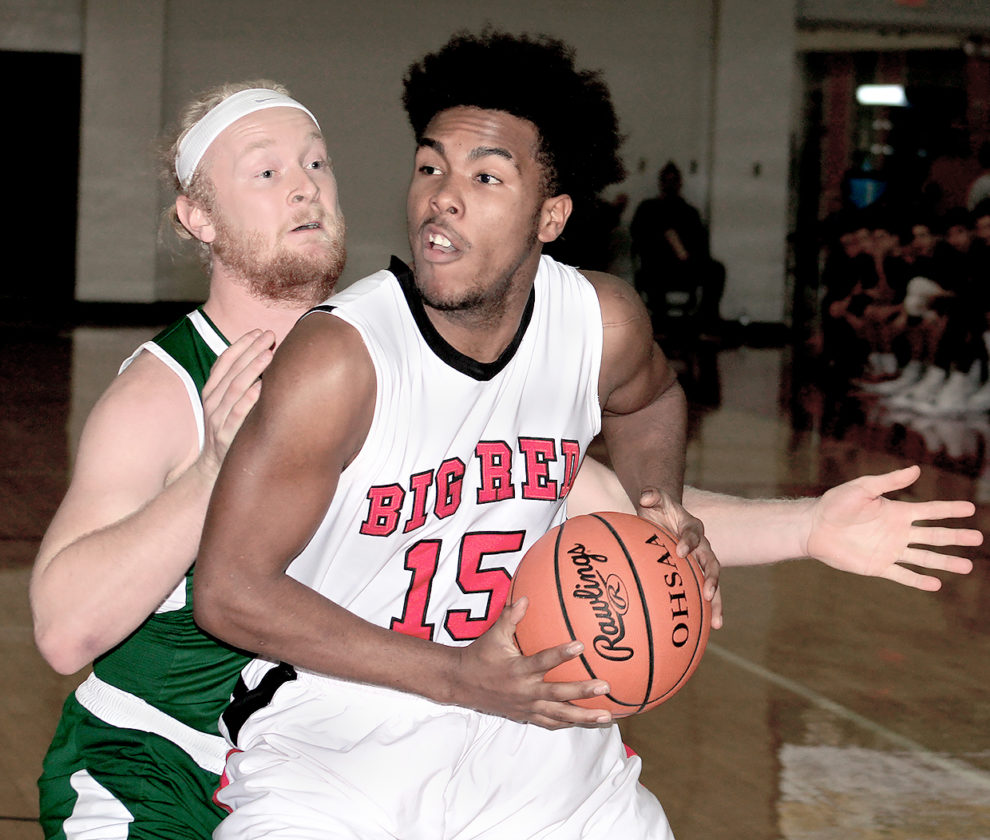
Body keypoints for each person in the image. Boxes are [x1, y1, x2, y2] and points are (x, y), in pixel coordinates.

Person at [193, 32, 980, 839]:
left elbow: (651, 401)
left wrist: (660, 504)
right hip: (340, 753)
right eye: (430, 167)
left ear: (552, 215)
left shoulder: (599, 322)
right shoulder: (342, 358)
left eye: (486, 177)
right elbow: (228, 591)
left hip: (549, 754)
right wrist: (459, 676)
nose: (443, 198)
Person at [30, 80, 347, 839]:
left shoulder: (376, 356)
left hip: (317, 781)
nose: (304, 186)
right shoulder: (160, 394)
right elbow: (63, 631)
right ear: (198, 218)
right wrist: (211, 472)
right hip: (154, 770)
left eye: (316, 162)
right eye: (266, 171)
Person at [630, 161, 725, 334]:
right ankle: (659, 323)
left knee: (716, 270)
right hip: (657, 264)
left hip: (685, 266)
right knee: (653, 272)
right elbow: (638, 236)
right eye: (667, 180)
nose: (670, 185)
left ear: (680, 183)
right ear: (661, 183)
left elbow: (700, 243)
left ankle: (707, 320)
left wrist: (687, 255)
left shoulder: (689, 212)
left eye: (674, 181)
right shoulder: (648, 208)